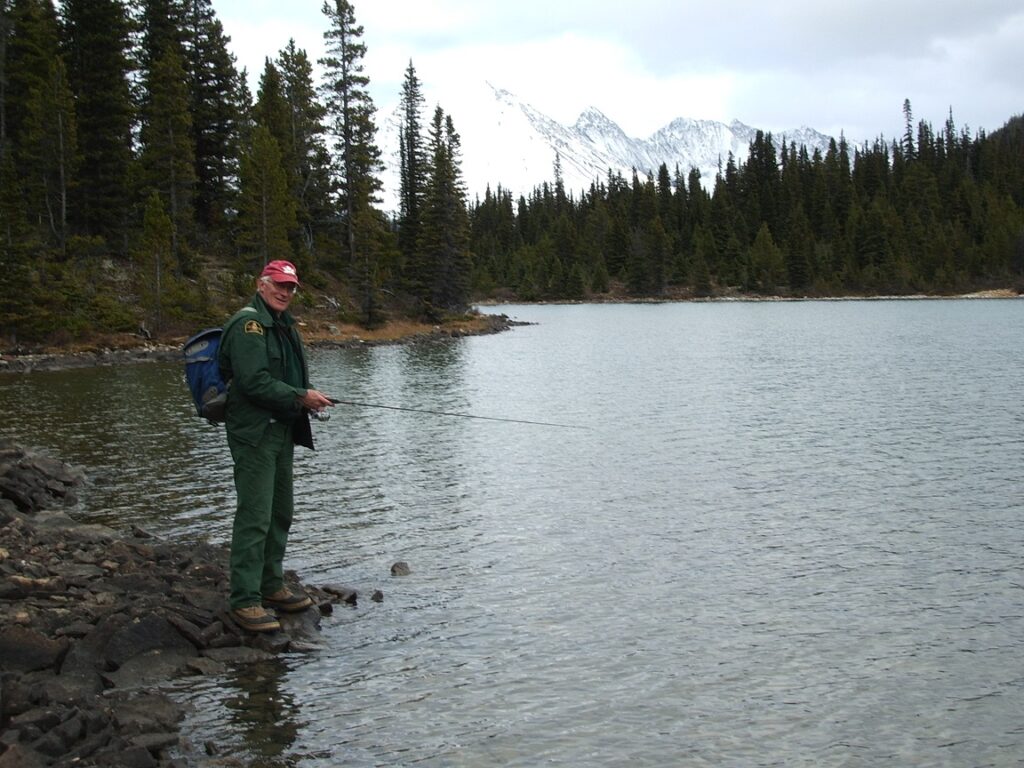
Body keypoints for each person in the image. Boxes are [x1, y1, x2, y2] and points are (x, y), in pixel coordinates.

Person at [218, 260, 334, 632]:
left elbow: (287, 378)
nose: (285, 292)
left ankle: (271, 585)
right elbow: (253, 382)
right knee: (255, 515)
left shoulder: (284, 325)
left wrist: (305, 399)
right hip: (253, 433)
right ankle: (245, 600)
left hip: (282, 430)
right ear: (261, 284)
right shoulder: (248, 325)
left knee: (280, 511)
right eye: (278, 285)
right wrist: (302, 396)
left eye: (291, 287)